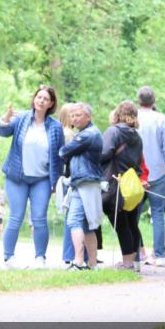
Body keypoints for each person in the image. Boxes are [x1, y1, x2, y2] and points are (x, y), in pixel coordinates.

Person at [0, 86, 64, 268]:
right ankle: (9, 258)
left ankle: (40, 258)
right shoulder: (21, 119)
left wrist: (55, 183)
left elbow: (58, 157)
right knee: (16, 217)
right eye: (38, 97)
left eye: (45, 99)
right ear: (34, 99)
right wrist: (5, 119)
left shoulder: (56, 127)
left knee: (40, 218)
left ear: (51, 104)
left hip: (41, 179)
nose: (41, 101)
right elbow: (2, 132)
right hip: (17, 177)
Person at [59, 103, 104, 270]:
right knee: (89, 225)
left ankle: (78, 262)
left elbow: (64, 151)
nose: (74, 118)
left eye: (78, 115)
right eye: (72, 116)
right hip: (87, 183)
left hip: (85, 183)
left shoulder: (87, 135)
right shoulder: (88, 133)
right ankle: (92, 264)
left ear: (88, 117)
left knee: (74, 220)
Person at [100, 101, 145, 270]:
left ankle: (127, 263)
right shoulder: (137, 136)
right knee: (132, 222)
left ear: (118, 113)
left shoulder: (114, 131)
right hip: (131, 183)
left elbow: (104, 154)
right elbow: (139, 161)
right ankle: (135, 262)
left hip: (114, 181)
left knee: (121, 224)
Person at [136, 87, 165, 267]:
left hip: (137, 172)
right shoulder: (161, 119)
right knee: (158, 213)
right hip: (157, 170)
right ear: (153, 101)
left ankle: (134, 252)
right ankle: (159, 254)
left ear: (138, 100)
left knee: (133, 213)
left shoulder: (133, 117)